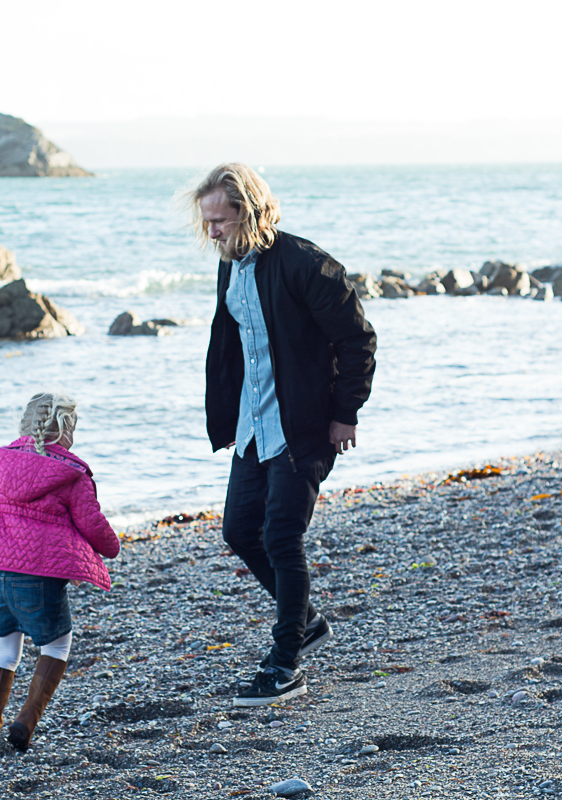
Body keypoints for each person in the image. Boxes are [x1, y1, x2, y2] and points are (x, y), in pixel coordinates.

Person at [191, 163, 376, 706]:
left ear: (248, 212)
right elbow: (233, 348)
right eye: (207, 222)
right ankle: (307, 621)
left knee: (280, 538)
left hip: (305, 427)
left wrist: (347, 413)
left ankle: (285, 661)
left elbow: (357, 339)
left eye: (220, 221)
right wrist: (224, 416)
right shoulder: (230, 268)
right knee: (238, 530)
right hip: (253, 428)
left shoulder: (304, 263)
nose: (212, 232)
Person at [0, 391, 120, 751]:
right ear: (66, 428)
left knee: (5, 648)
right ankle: (24, 723)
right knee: (57, 644)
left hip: (1, 575)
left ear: (26, 424)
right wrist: (110, 546)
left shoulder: (0, 464)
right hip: (42, 578)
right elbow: (92, 522)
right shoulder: (71, 474)